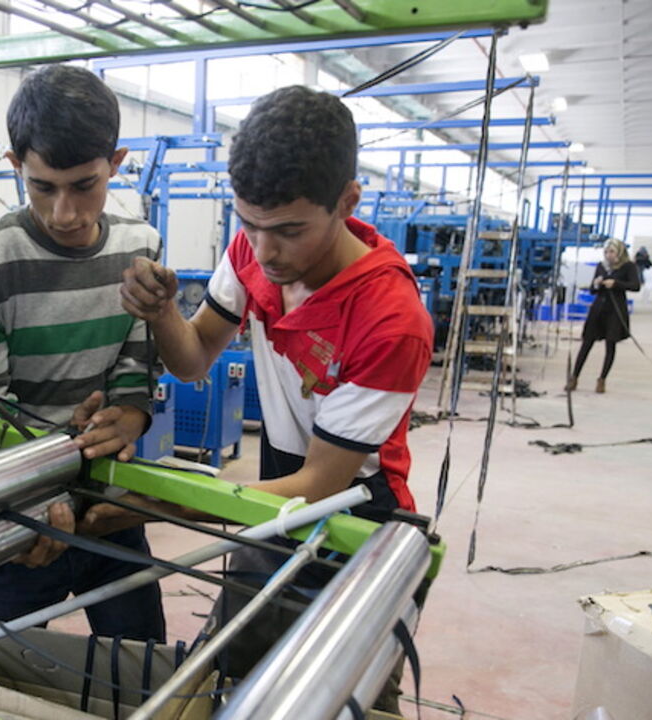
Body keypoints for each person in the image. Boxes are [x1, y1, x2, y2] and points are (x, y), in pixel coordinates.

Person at [83, 86, 434, 696]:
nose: (264, 250)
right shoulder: (254, 246)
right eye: (249, 223)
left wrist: (165, 504)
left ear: (347, 201)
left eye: (289, 231)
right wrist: (163, 312)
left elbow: (320, 484)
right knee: (236, 674)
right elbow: (193, 360)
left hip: (358, 515)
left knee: (346, 693)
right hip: (274, 491)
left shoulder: (391, 320)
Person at [0, 65, 165, 642]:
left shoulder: (141, 246)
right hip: (14, 519)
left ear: (117, 162)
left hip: (110, 511)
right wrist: (40, 493)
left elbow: (136, 359)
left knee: (142, 676)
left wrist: (133, 412)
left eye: (85, 185)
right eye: (42, 187)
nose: (64, 213)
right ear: (16, 166)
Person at [566, 238, 640, 394]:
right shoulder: (601, 266)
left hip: (615, 310)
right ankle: (574, 377)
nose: (608, 255)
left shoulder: (628, 267)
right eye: (606, 252)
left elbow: (635, 286)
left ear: (619, 252)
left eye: (612, 252)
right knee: (587, 343)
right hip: (598, 309)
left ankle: (602, 380)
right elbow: (593, 290)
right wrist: (596, 283)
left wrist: (616, 284)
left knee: (610, 344)